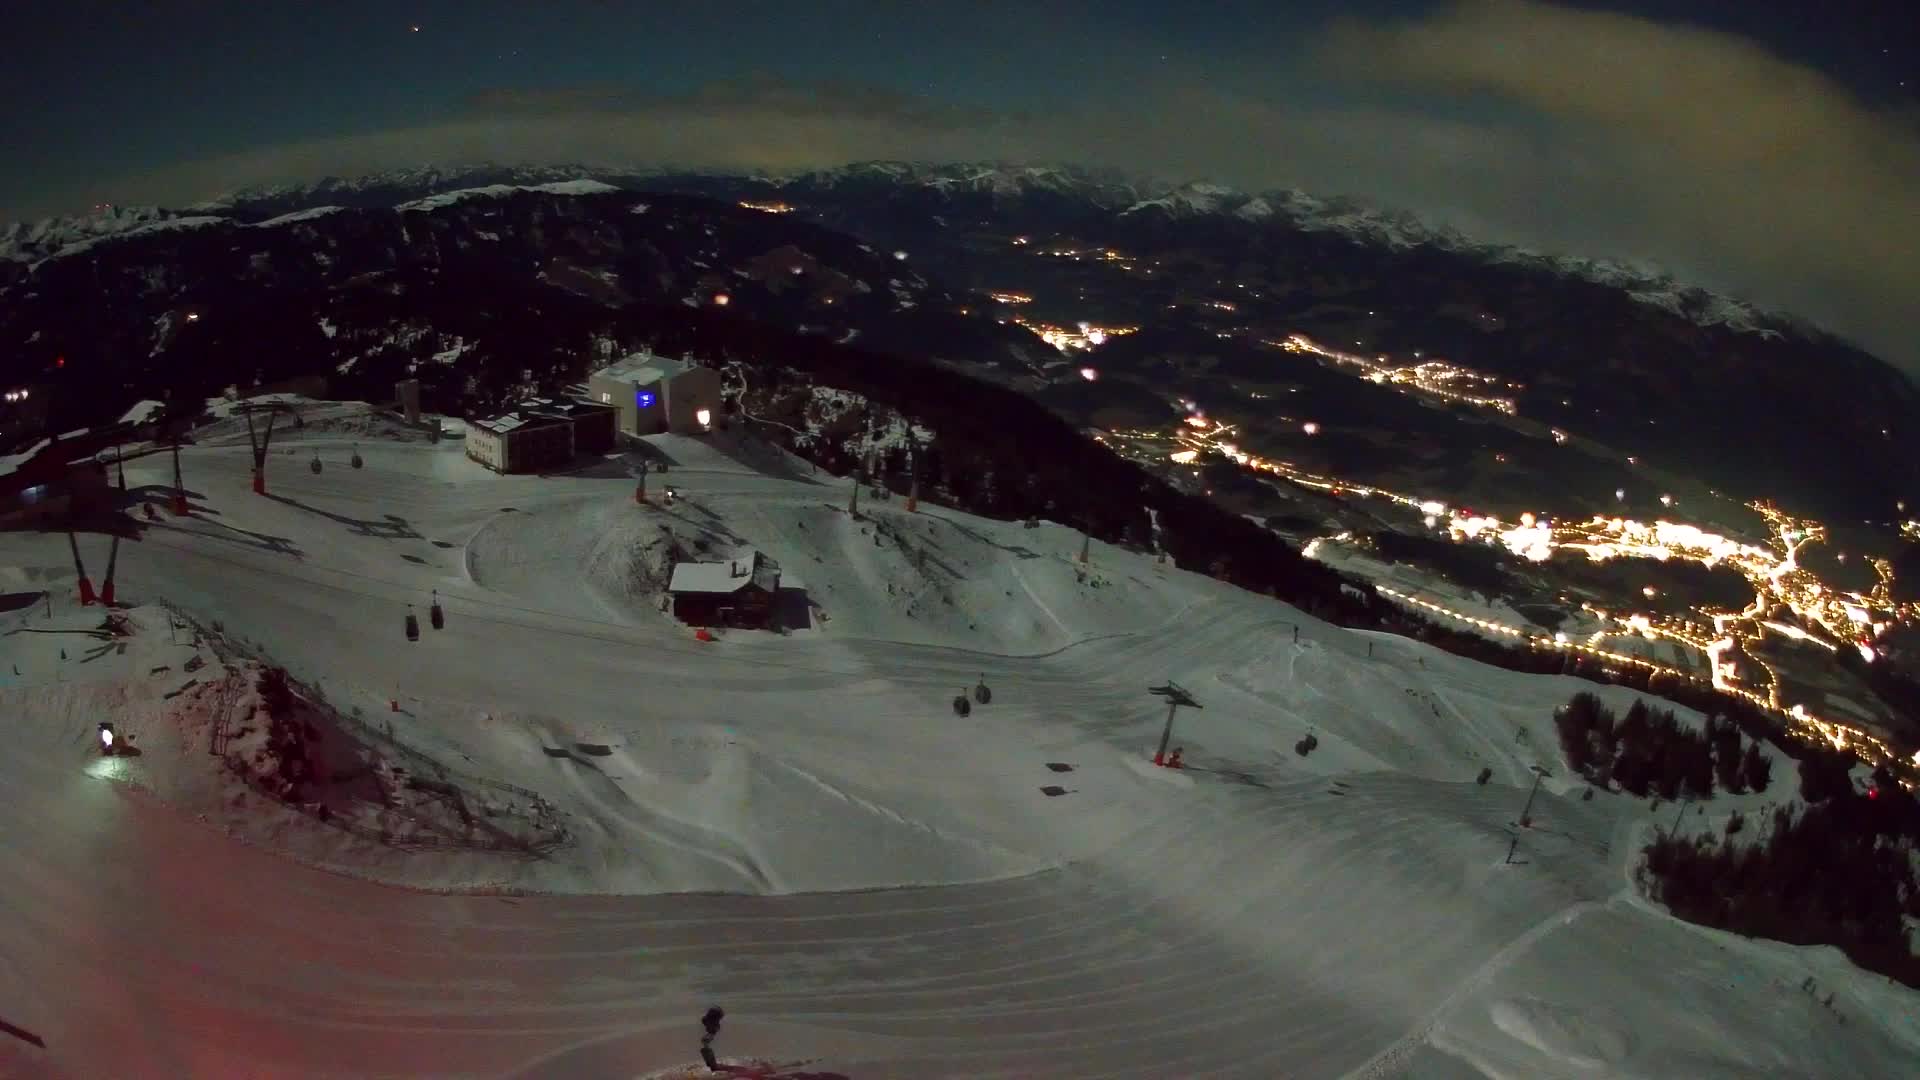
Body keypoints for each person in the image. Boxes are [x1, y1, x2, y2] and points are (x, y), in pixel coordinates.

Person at [700, 1006, 725, 1070]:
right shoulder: (712, 1024)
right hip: (710, 1032)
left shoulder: (713, 1024)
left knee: (705, 1044)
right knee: (705, 1044)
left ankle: (712, 1064)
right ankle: (712, 1065)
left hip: (710, 1032)